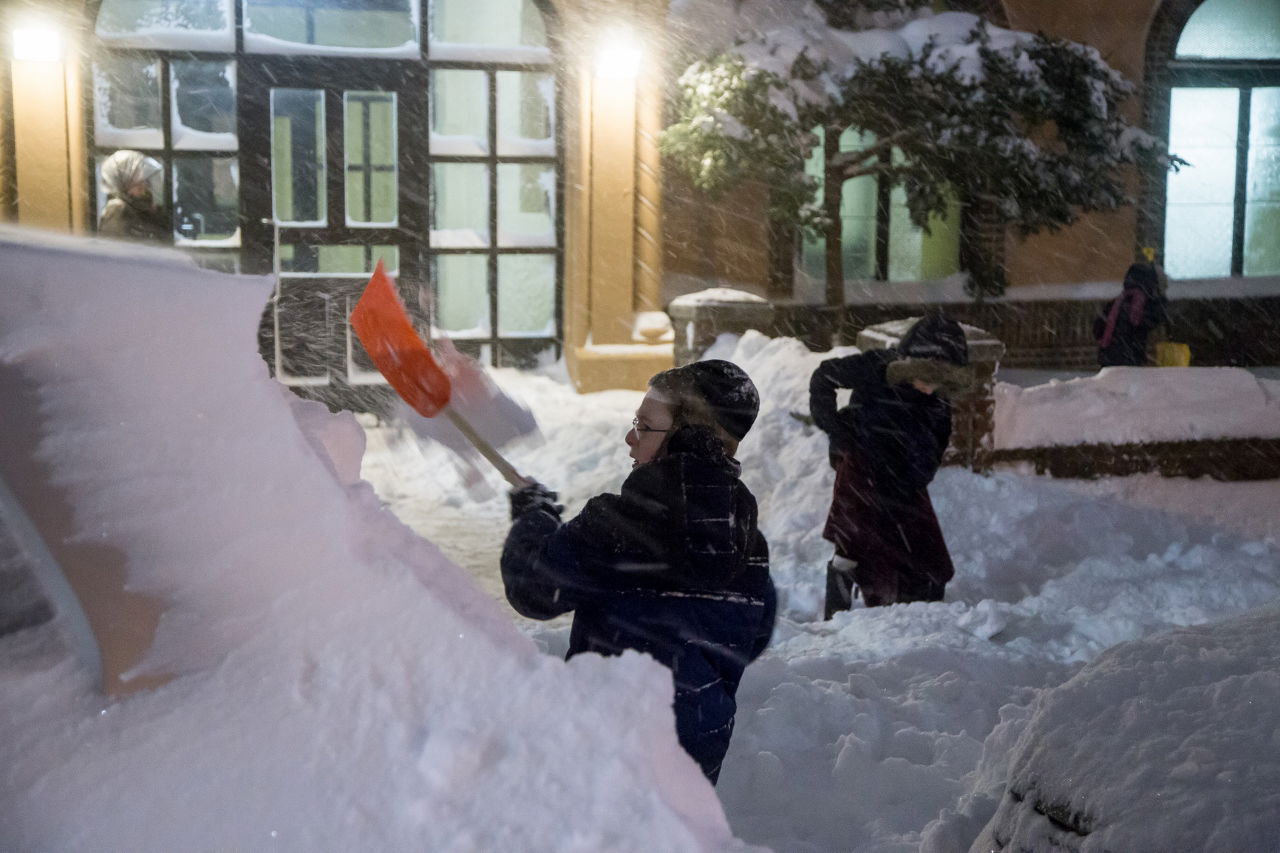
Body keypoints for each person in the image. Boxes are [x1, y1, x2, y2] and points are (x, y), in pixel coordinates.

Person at [501, 360, 776, 784]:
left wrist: (533, 518)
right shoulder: (749, 545)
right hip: (694, 761)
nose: (630, 438)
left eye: (645, 427)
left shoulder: (618, 525)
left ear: (689, 439)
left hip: (603, 751)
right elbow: (752, 638)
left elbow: (532, 589)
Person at [809, 313, 974, 616]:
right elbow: (824, 378)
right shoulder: (877, 367)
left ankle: (916, 619)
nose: (930, 388)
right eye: (926, 378)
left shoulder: (937, 403)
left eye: (939, 382)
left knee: (929, 561)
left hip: (905, 481)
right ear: (910, 365)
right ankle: (835, 621)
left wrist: (917, 476)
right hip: (862, 469)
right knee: (851, 547)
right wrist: (836, 429)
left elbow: (935, 446)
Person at [1094, 262, 1168, 367]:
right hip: (1127, 357)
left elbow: (1098, 326)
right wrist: (1161, 300)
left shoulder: (1120, 299)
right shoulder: (1141, 300)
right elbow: (1149, 321)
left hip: (1110, 354)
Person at [97, 150, 168, 243]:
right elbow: (117, 248)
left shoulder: (137, 206)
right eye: (136, 174)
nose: (143, 183)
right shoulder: (118, 210)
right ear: (124, 178)